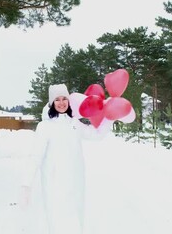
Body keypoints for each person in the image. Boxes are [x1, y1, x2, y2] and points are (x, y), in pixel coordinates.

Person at [20, 84, 111, 234]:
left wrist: (109, 118)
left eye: (64, 99)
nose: (61, 103)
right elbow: (35, 156)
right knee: (58, 223)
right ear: (51, 103)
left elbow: (95, 135)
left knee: (75, 222)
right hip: (54, 185)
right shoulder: (45, 127)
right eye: (57, 99)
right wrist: (25, 185)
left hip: (76, 183)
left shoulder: (74, 123)